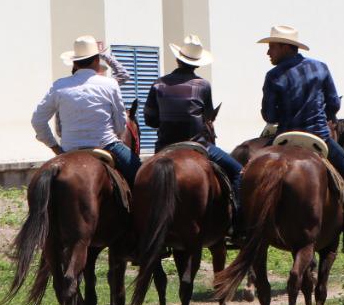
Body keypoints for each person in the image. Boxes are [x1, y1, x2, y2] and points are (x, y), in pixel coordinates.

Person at [258, 25, 344, 256]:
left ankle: (244, 230)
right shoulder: (320, 67)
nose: (268, 53)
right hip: (319, 137)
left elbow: (270, 116)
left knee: (249, 173)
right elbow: (334, 104)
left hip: (285, 140)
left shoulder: (273, 76)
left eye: (272, 47)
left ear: (286, 47)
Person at [143, 34, 246, 235]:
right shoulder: (203, 85)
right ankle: (238, 224)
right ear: (197, 64)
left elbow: (150, 121)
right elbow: (207, 117)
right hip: (198, 145)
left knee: (139, 178)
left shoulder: (158, 84)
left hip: (165, 147)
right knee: (238, 171)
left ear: (177, 59)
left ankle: (138, 233)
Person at [30, 35, 140, 186]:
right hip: (107, 145)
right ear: (96, 60)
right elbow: (121, 124)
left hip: (69, 149)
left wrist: (55, 147)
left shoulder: (59, 86)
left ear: (74, 62)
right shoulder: (110, 84)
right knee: (142, 175)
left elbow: (37, 120)